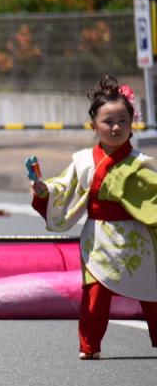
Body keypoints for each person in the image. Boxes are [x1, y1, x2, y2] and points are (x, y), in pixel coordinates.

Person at [30, 76, 157, 359]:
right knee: (95, 291)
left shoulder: (140, 163)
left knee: (152, 291)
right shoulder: (83, 161)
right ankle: (90, 346)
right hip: (98, 236)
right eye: (108, 121)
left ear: (132, 124)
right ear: (93, 126)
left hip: (136, 237)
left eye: (123, 121)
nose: (116, 127)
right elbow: (63, 186)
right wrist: (43, 189)